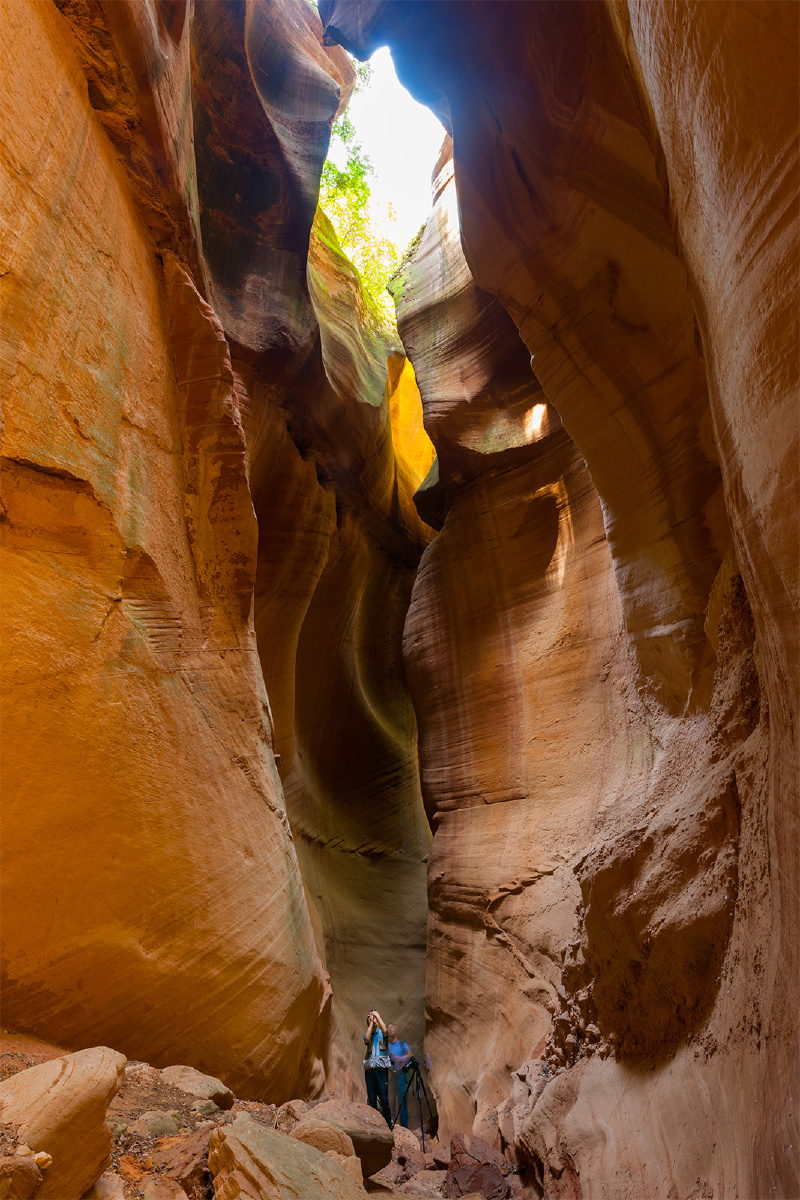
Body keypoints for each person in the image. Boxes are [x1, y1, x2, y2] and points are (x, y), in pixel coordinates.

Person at [363, 1009, 391, 1124]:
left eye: (374, 1019)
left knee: (384, 1099)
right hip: (370, 1071)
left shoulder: (382, 1033)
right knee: (372, 1099)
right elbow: (367, 1039)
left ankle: (388, 1125)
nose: (373, 1020)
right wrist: (370, 1024)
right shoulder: (367, 1034)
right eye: (371, 1019)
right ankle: (374, 1126)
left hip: (381, 1071)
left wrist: (378, 1017)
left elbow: (385, 1031)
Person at [387, 1022, 411, 1128]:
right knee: (390, 1100)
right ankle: (391, 1124)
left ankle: (404, 1126)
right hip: (391, 1075)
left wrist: (400, 1059)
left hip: (401, 1075)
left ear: (396, 1030)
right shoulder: (386, 1045)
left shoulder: (401, 1043)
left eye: (392, 1027)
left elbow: (410, 1055)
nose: (390, 1029)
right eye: (388, 1028)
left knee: (402, 1100)